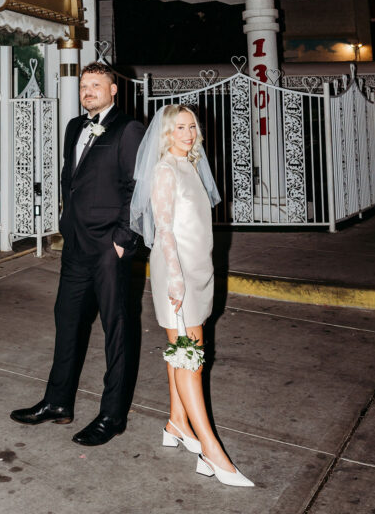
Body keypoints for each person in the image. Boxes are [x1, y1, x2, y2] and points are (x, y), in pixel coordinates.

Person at [11, 62, 144, 446]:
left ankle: (112, 416)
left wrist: (122, 238)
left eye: (96, 85)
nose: (88, 91)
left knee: (116, 331)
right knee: (67, 321)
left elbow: (137, 188)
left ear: (113, 89)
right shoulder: (74, 126)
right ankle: (57, 402)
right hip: (76, 244)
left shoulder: (129, 129)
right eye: (84, 85)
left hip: (108, 246)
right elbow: (72, 176)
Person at [130, 104, 254, 488]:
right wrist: (176, 279)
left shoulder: (192, 165)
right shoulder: (166, 169)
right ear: (166, 134)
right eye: (179, 128)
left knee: (181, 353)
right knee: (191, 357)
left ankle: (175, 423)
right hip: (178, 271)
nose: (187, 133)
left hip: (199, 268)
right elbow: (164, 228)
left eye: (191, 127)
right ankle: (209, 449)